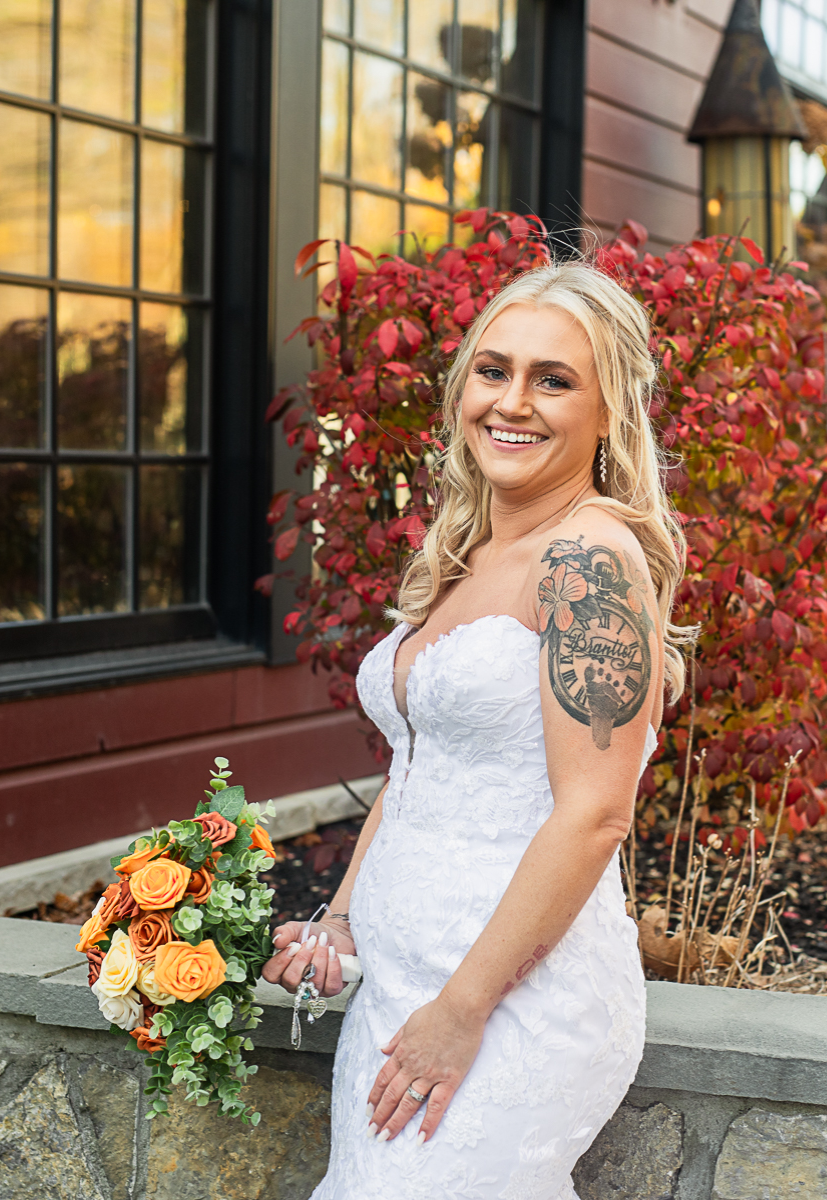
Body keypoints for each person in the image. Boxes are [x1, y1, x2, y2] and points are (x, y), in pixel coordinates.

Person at [260, 260, 692, 1196]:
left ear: (611, 411)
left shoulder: (590, 562)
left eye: (555, 379)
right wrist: (341, 923)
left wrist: (464, 1009)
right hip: (401, 990)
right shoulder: (467, 550)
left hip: (510, 1002)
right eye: (493, 370)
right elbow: (419, 771)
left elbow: (594, 818)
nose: (515, 401)